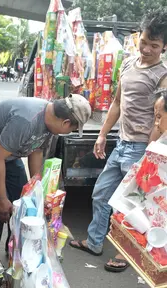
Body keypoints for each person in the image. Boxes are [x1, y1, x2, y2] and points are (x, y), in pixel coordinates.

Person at [69, 8, 167, 272]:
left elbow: (163, 117)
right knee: (101, 195)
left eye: (154, 46)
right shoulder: (127, 64)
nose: (146, 49)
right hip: (121, 144)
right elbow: (116, 103)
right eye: (144, 42)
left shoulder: (163, 75)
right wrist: (102, 135)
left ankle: (127, 254)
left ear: (164, 47)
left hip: (142, 149)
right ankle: (95, 242)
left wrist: (150, 155)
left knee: (132, 207)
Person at [0, 94, 92, 246]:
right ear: (65, 122)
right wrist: (2, 199)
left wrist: (36, 189)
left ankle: (15, 253)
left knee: (23, 202)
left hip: (8, 153)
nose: (69, 133)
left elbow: (36, 150)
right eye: (72, 129)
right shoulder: (26, 121)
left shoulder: (50, 122)